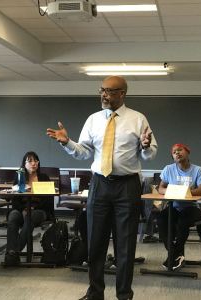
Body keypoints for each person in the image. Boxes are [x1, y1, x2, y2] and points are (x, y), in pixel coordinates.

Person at [47, 76, 157, 300]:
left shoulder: (138, 119)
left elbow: (149, 152)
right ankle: (95, 293)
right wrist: (67, 143)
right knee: (95, 241)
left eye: (109, 91)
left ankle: (124, 295)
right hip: (99, 184)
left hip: (127, 186)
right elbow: (84, 152)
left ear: (122, 93)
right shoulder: (93, 119)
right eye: (101, 90)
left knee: (125, 244)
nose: (103, 95)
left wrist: (145, 146)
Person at [156, 143, 201, 271]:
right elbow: (160, 188)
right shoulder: (168, 169)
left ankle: (173, 255)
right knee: (161, 218)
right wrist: (172, 191)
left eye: (180, 150)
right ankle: (176, 254)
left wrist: (184, 191)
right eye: (174, 152)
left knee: (183, 221)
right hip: (174, 206)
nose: (177, 153)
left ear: (187, 152)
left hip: (191, 207)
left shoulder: (197, 170)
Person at [4, 151, 55, 266]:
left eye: (35, 160)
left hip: (40, 211)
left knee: (31, 216)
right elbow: (15, 200)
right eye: (30, 161)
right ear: (24, 164)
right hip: (22, 210)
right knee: (13, 216)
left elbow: (48, 200)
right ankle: (12, 251)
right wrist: (23, 209)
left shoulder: (43, 177)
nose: (33, 163)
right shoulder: (20, 177)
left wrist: (32, 207)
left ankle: (14, 252)